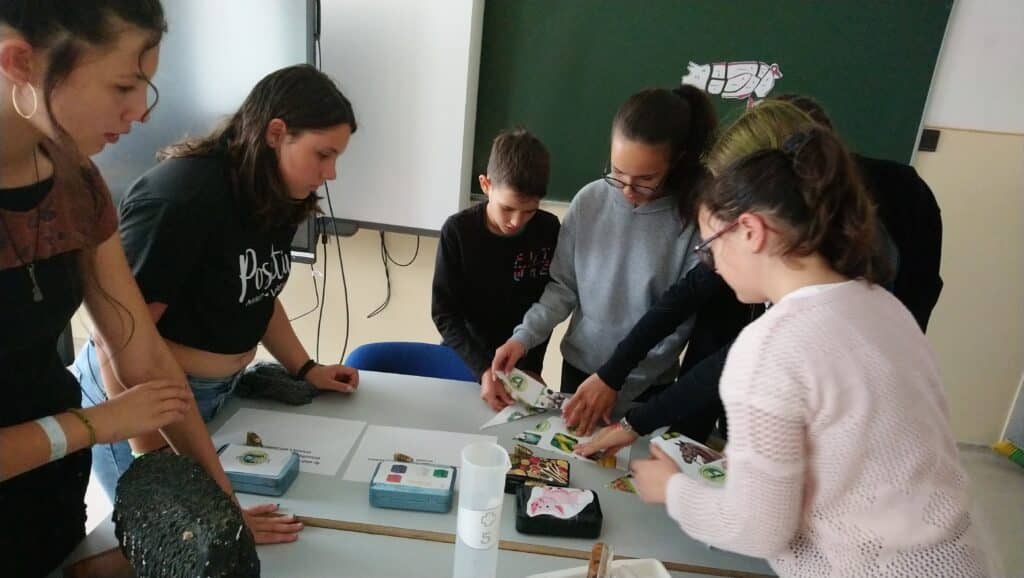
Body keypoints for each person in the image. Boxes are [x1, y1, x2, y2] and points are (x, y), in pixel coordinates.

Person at [629, 124, 993, 576]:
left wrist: (671, 489)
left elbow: (758, 530)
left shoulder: (769, 346)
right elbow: (863, 449)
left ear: (751, 231)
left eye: (709, 248)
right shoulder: (881, 304)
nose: (714, 267)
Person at [75, 65, 360, 523]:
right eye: (323, 155)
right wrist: (155, 462)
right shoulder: (182, 197)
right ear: (276, 133)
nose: (331, 173)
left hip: (213, 396)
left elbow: (257, 293)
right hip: (145, 402)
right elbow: (118, 344)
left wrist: (306, 368)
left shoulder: (276, 191)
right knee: (168, 539)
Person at [0, 2, 227, 574]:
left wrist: (223, 511)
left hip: (48, 500)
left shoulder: (76, 180)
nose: (140, 112)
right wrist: (97, 424)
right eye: (124, 85)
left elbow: (140, 350)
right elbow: (113, 412)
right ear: (21, 62)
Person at [489, 86, 716, 415]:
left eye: (645, 179)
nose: (627, 190)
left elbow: (677, 324)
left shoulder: (693, 222)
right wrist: (522, 338)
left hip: (646, 387)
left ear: (676, 162)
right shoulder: (589, 201)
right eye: (618, 172)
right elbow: (563, 288)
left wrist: (616, 385)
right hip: (579, 370)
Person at [432, 129, 560, 409]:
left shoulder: (549, 229)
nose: (517, 221)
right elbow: (444, 313)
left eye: (529, 211)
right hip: (466, 358)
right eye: (507, 208)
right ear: (486, 184)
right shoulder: (458, 231)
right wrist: (483, 370)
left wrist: (533, 365)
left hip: (521, 363)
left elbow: (545, 305)